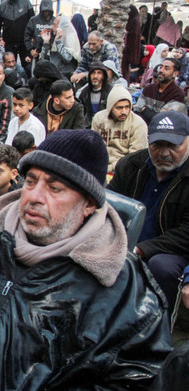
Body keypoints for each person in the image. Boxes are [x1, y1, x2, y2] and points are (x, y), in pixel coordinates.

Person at [0, 128, 173, 390]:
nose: (34, 197)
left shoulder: (122, 287)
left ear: (89, 203)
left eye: (55, 188)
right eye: (30, 181)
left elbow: (134, 377)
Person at [107, 111, 189, 314]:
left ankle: (157, 324)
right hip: (124, 241)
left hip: (172, 250)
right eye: (157, 145)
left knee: (161, 266)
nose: (163, 153)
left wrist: (141, 249)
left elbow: (186, 233)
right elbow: (108, 206)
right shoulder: (131, 165)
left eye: (173, 146)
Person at [91, 85, 147, 173]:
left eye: (127, 107)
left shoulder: (138, 124)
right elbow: (93, 147)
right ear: (110, 107)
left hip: (124, 169)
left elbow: (134, 158)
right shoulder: (98, 118)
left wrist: (110, 168)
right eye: (119, 108)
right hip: (99, 164)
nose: (124, 112)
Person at [134, 57, 185, 123]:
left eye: (166, 68)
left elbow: (164, 119)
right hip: (142, 126)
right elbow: (137, 110)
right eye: (161, 67)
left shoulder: (177, 94)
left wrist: (145, 109)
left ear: (175, 73)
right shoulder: (148, 89)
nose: (161, 70)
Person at [0, 0, 34, 67]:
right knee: (9, 65)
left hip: (25, 42)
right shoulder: (2, 7)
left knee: (27, 65)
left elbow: (32, 21)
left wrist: (32, 37)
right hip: (9, 42)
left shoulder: (26, 3)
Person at [76, 60, 112, 128]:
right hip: (89, 126)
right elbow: (80, 113)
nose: (95, 76)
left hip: (106, 126)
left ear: (103, 76)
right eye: (93, 73)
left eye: (99, 73)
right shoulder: (85, 92)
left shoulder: (110, 91)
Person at [24, 0, 54, 68]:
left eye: (48, 11)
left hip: (51, 53)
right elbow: (27, 36)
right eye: (45, 11)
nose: (46, 13)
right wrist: (30, 50)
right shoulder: (34, 20)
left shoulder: (54, 20)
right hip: (36, 52)